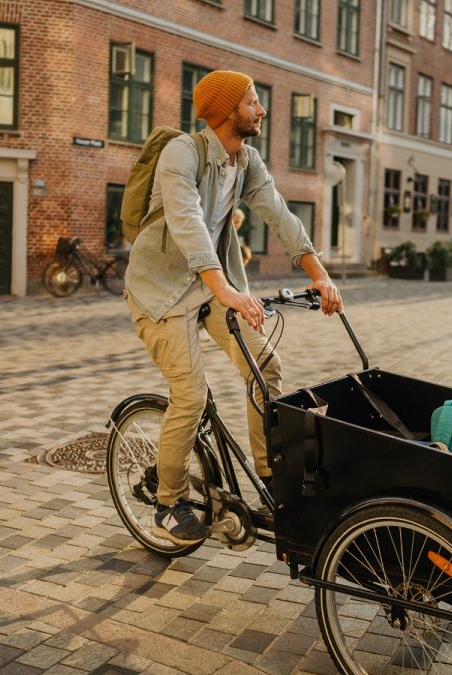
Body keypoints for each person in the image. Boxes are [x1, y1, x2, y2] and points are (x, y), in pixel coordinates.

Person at [124, 70, 343, 545]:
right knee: (191, 395)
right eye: (252, 103)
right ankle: (168, 502)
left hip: (209, 290)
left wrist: (318, 273)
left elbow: (279, 214)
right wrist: (224, 289)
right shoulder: (181, 153)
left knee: (265, 364)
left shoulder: (245, 161)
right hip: (160, 293)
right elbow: (187, 223)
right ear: (225, 112)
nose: (261, 111)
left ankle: (269, 477)